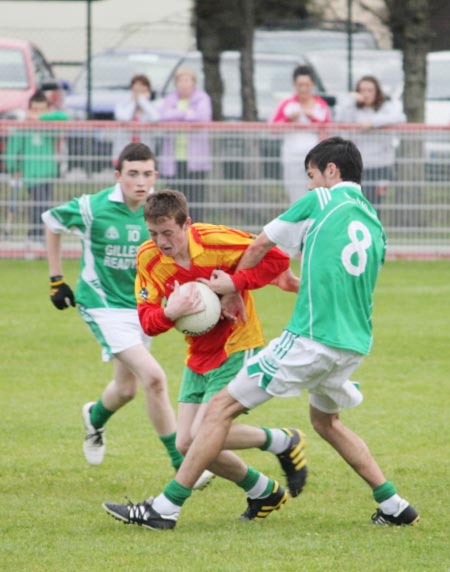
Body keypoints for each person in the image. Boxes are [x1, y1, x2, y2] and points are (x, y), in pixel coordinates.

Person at [103, 137, 419, 530]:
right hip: (353, 343)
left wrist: (233, 284)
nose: (309, 185)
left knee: (219, 410)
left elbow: (265, 242)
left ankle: (165, 509)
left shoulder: (321, 201)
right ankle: (394, 504)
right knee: (327, 423)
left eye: (311, 175)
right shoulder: (374, 222)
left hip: (310, 337)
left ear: (331, 172)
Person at [103, 189, 308, 526]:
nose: (161, 242)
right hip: (198, 354)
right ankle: (266, 484)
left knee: (202, 435)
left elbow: (276, 261)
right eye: (153, 234)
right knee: (185, 443)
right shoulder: (148, 259)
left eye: (168, 232)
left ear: (187, 224)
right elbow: (147, 321)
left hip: (236, 344)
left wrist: (233, 285)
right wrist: (171, 312)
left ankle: (167, 507)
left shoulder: (217, 240)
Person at [42, 142, 210, 486]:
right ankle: (181, 463)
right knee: (155, 378)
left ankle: (95, 417)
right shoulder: (93, 207)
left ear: (156, 175)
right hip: (101, 305)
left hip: (141, 305)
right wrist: (56, 278)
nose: (141, 181)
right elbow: (51, 221)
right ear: (118, 175)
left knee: (126, 389)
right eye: (133, 174)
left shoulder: (158, 214)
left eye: (147, 174)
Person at [335, 75, 406, 217]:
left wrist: (373, 123)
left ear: (377, 92)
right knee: (355, 206)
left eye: (369, 90)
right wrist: (351, 99)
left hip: (381, 165)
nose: (366, 94)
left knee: (374, 207)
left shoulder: (386, 108)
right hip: (359, 166)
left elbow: (400, 117)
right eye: (362, 90)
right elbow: (338, 117)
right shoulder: (352, 110)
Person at [6, 90, 68, 240]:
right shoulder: (23, 127)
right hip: (31, 173)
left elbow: (64, 117)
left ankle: (37, 234)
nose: (37, 114)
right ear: (29, 109)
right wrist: (13, 167)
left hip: (48, 172)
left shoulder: (50, 124)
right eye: (34, 110)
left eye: (42, 110)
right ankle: (36, 235)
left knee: (45, 205)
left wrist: (40, 117)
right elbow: (13, 149)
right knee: (40, 204)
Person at [270, 65, 331, 204]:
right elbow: (272, 128)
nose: (303, 89)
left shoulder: (321, 106)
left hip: (316, 158)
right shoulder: (286, 105)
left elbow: (328, 130)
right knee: (296, 194)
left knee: (316, 193)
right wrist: (288, 120)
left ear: (313, 85)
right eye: (300, 85)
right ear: (294, 85)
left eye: (307, 85)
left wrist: (313, 119)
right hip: (292, 156)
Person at [158, 68, 212, 222]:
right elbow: (162, 116)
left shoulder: (202, 98)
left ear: (194, 83)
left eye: (187, 81)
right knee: (173, 197)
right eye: (180, 81)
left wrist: (177, 114)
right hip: (173, 159)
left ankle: (196, 227)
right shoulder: (170, 99)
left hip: (196, 159)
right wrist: (185, 114)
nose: (184, 84)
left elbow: (202, 117)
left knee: (195, 197)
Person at [112, 74, 160, 165]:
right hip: (124, 151)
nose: (138, 92)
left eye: (142, 89)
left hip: (145, 152)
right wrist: (134, 101)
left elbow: (155, 117)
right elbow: (124, 117)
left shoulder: (151, 106)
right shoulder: (123, 105)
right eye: (136, 90)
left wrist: (142, 101)